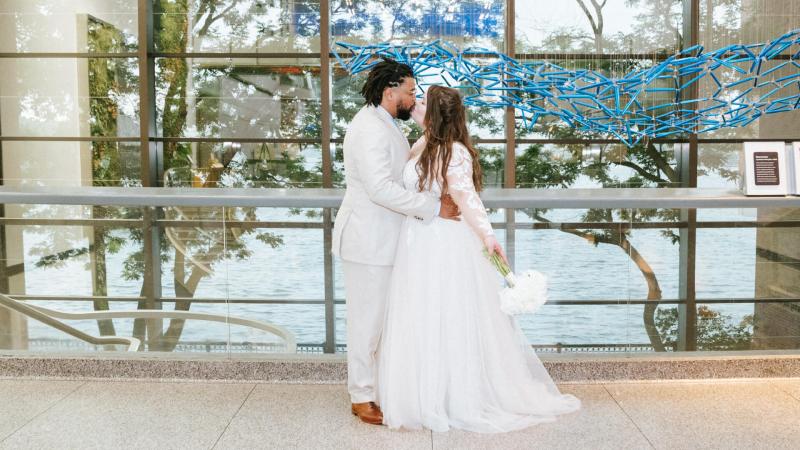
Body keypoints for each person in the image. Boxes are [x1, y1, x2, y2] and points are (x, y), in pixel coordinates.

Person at [377, 85, 581, 433]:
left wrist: (488, 236)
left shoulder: (454, 152)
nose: (417, 104)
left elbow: (467, 198)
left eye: (424, 101)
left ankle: (454, 396)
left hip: (444, 243)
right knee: (421, 313)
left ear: (437, 114)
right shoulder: (423, 144)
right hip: (417, 242)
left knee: (448, 313)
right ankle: (425, 394)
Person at [331, 58, 459, 425]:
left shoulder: (385, 122)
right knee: (366, 323)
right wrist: (434, 207)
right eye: (410, 92)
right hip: (368, 242)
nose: (414, 98)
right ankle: (361, 396)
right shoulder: (369, 129)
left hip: (387, 240)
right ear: (391, 93)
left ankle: (378, 387)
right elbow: (380, 189)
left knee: (383, 322)